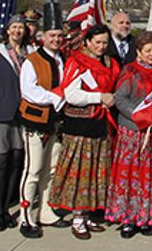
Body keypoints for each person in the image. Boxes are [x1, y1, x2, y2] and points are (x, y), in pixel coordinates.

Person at [49, 24, 121, 239]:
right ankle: (77, 216)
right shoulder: (77, 61)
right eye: (97, 42)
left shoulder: (110, 63)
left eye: (104, 43)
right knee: (80, 172)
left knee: (96, 172)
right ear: (87, 42)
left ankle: (88, 212)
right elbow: (70, 93)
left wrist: (112, 98)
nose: (101, 46)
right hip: (81, 126)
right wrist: (99, 97)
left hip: (101, 125)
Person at [107, 33, 152, 238]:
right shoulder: (129, 72)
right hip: (133, 132)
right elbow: (120, 99)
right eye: (147, 51)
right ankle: (128, 218)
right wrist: (139, 115)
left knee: (150, 176)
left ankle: (146, 216)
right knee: (130, 176)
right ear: (138, 52)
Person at [17, 4, 66, 238]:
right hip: (35, 121)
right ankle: (25, 215)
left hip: (56, 123)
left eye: (59, 36)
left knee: (52, 169)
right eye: (52, 36)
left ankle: (46, 210)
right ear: (43, 37)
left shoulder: (63, 59)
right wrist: (55, 98)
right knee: (33, 169)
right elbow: (29, 90)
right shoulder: (32, 60)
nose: (56, 40)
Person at [0, 14, 31, 232]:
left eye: (21, 27)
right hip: (2, 113)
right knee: (1, 161)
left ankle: (8, 207)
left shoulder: (29, 53)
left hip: (24, 114)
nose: (17, 31)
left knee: (17, 160)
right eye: (14, 27)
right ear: (8, 30)